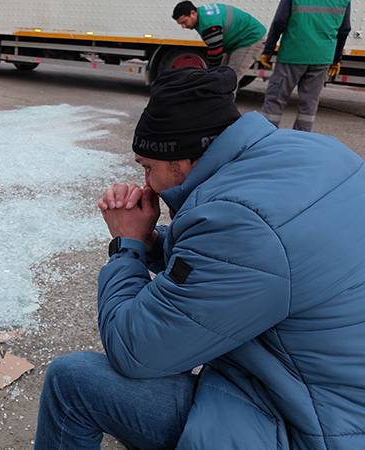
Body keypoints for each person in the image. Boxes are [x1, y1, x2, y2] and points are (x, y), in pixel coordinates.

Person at [34, 66, 365, 450]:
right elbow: (244, 267)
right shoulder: (311, 150)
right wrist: (154, 241)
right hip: (332, 385)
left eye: (148, 167)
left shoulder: (241, 226)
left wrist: (127, 246)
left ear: (185, 160)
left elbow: (134, 349)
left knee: (71, 382)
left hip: (311, 426)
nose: (145, 184)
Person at [260, 0, 351, 131]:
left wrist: (269, 50)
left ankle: (265, 137)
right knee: (309, 104)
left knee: (275, 99)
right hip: (322, 57)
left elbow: (279, 22)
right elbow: (344, 30)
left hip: (292, 54)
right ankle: (300, 141)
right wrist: (336, 59)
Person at [172, 1, 266, 86]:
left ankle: (224, 104)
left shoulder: (208, 24)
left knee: (229, 80)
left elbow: (215, 54)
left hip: (250, 39)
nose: (183, 26)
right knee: (221, 76)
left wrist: (209, 75)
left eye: (184, 22)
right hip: (236, 41)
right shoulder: (202, 14)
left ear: (193, 13)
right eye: (180, 24)